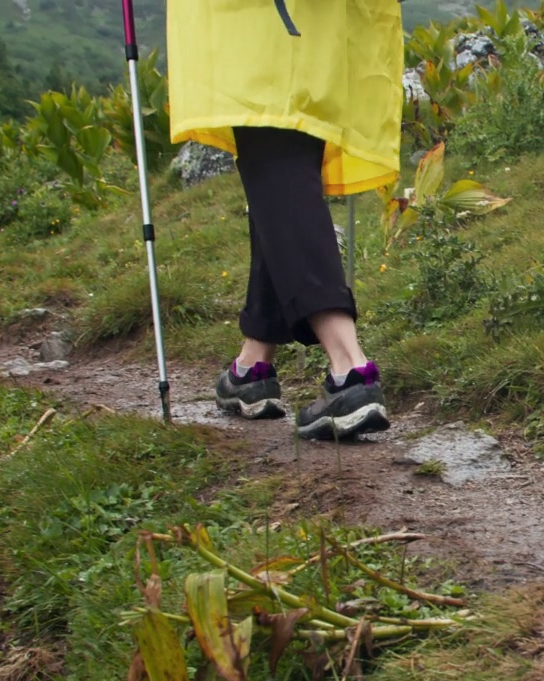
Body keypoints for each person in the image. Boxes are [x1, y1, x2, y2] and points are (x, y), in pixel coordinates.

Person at [164, 0, 405, 440]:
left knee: (274, 147)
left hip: (258, 22)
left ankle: (350, 370)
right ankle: (252, 365)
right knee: (289, 147)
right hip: (319, 23)